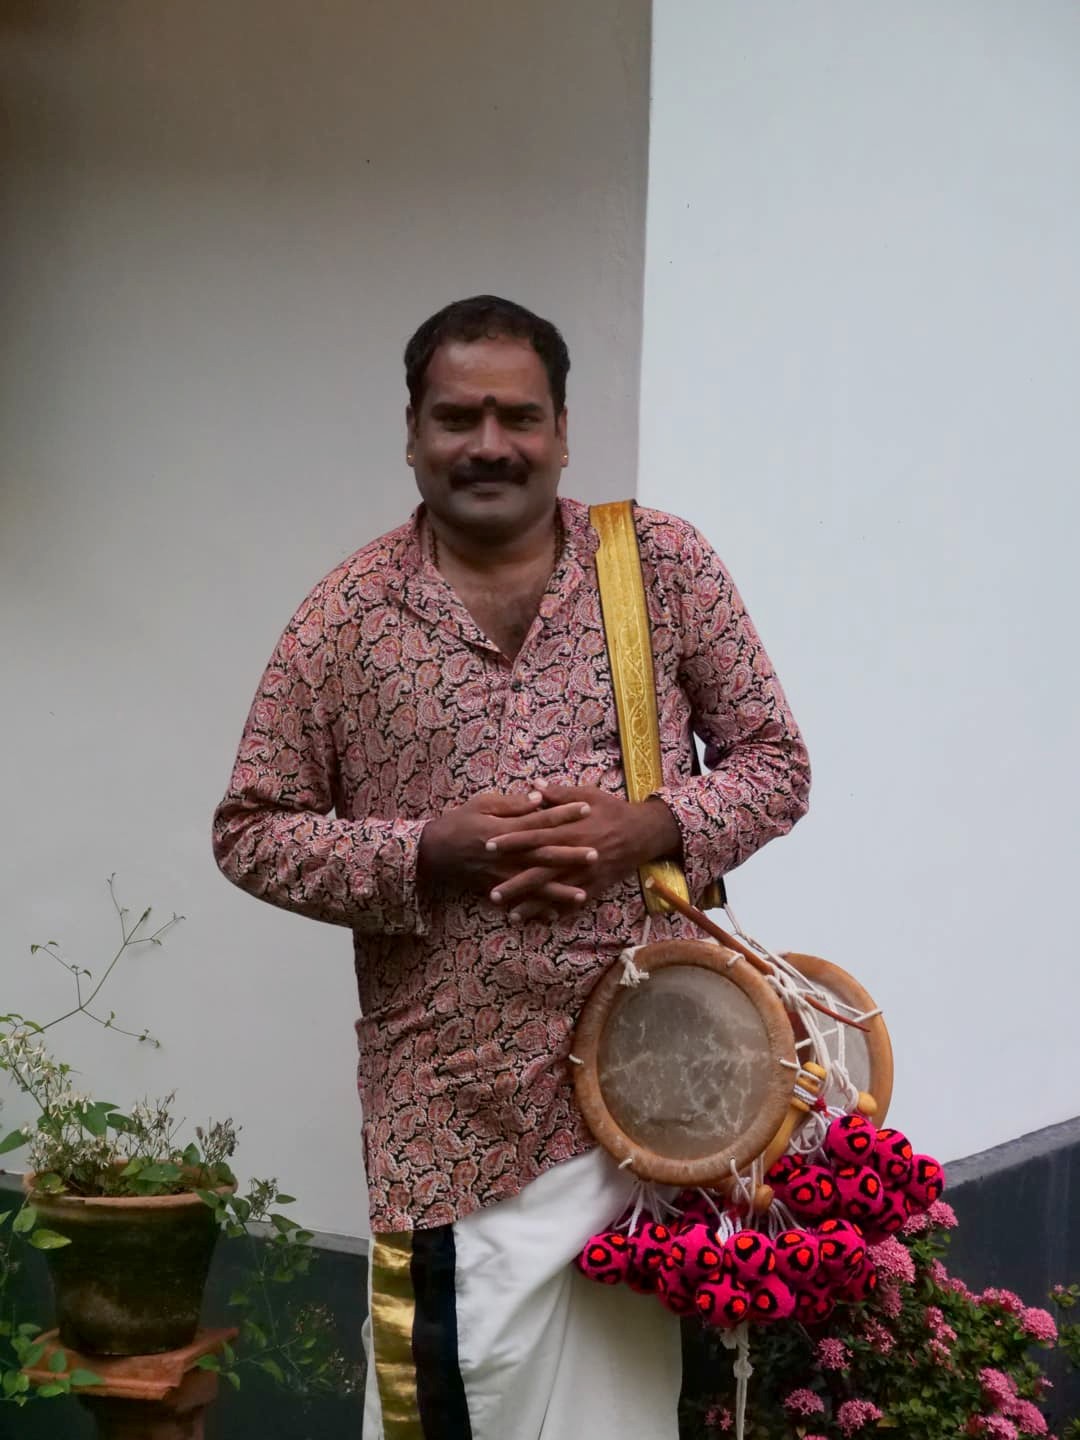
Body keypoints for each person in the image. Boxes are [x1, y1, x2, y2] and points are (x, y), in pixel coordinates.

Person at [212, 295, 810, 1439]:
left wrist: (647, 828)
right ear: (412, 433)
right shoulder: (343, 621)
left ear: (564, 430)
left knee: (632, 1408)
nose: (490, 443)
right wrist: (427, 849)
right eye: (458, 417)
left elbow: (777, 765)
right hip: (454, 1116)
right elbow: (251, 829)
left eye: (519, 416)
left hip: (659, 1102)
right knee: (459, 1398)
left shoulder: (659, 567)